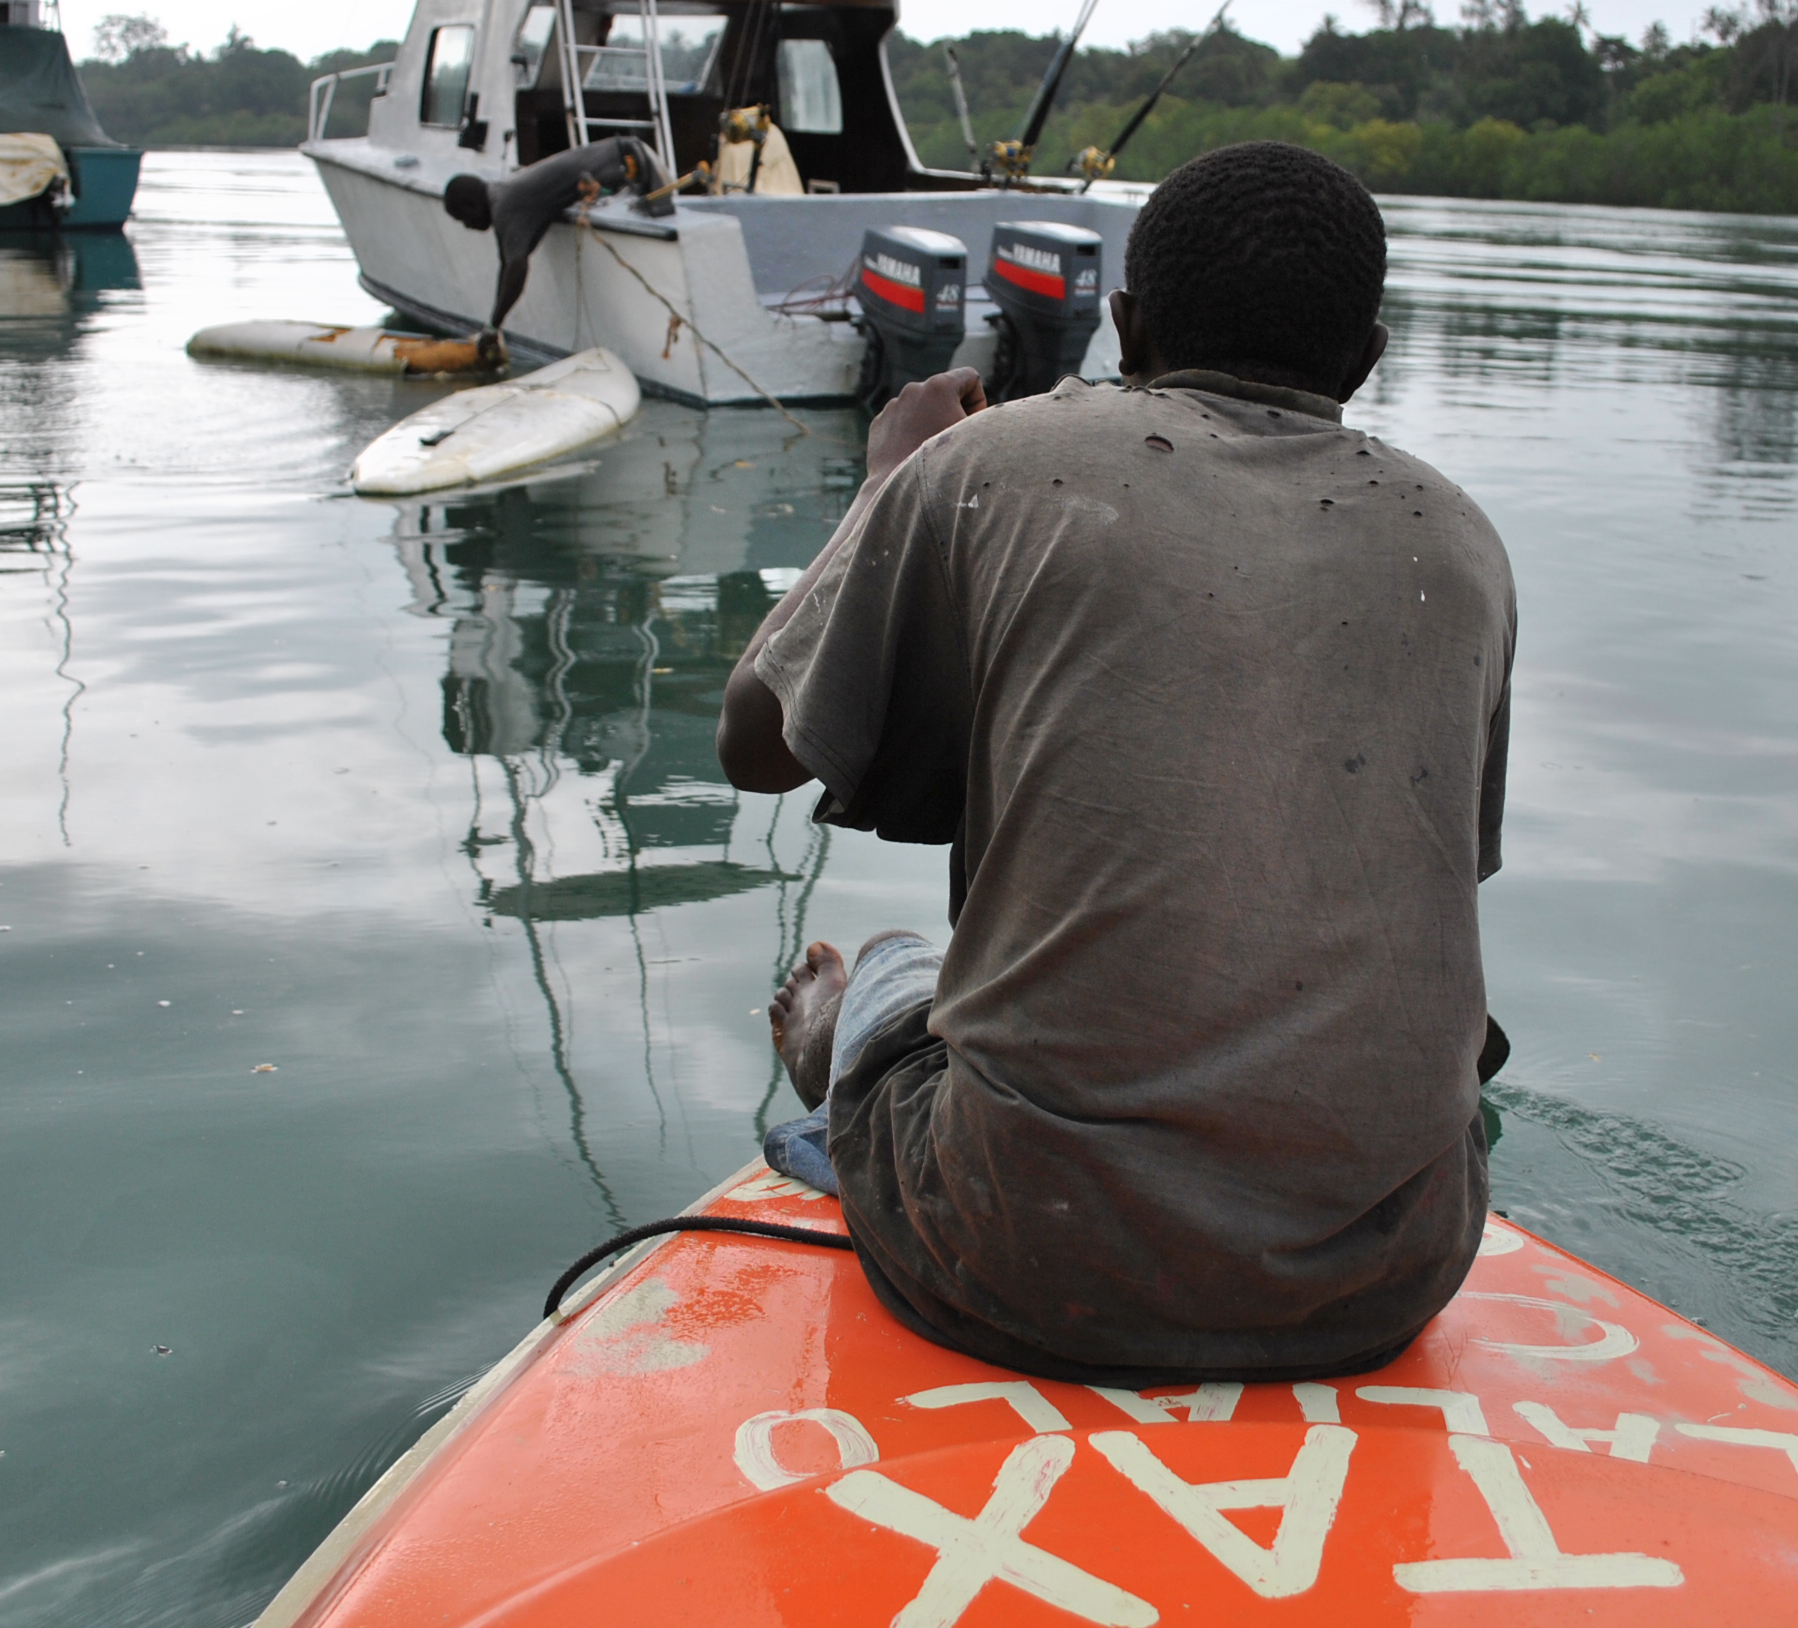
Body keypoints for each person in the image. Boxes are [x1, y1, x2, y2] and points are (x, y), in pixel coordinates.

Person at [715, 140, 1518, 1385]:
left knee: (891, 966)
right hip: (1389, 1269)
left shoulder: (986, 466)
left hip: (1021, 1252)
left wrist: (887, 481)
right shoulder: (1460, 542)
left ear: (1124, 324)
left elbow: (753, 748)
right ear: (1366, 356)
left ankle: (846, 1042)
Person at [442, 138, 670, 331]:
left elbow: (517, 270)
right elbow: (506, 263)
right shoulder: (503, 195)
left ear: (471, 205)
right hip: (629, 151)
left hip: (636, 163)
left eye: (463, 220)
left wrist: (494, 325)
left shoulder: (505, 207)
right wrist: (491, 324)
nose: (467, 227)